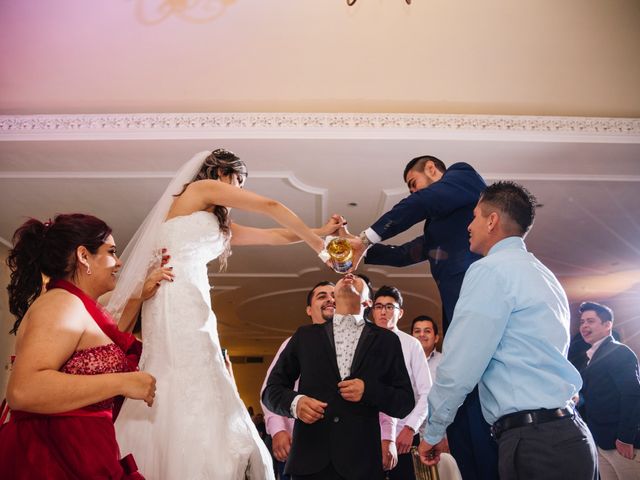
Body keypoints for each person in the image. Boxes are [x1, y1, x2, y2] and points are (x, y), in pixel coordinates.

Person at [110, 149, 341, 480]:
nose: (239, 188)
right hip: (175, 291)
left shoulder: (219, 223)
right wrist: (319, 248)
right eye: (237, 179)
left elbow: (277, 236)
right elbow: (272, 208)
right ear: (219, 173)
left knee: (204, 367)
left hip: (195, 294)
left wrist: (321, 231)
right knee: (178, 367)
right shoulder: (199, 190)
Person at [418, 181, 598, 480]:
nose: (469, 226)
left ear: (492, 221)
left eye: (474, 216)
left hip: (536, 443)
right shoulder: (544, 274)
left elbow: (461, 364)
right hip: (569, 433)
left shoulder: (490, 270)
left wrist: (434, 430)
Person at [345, 155, 496, 480]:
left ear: (431, 169)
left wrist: (367, 236)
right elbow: (403, 254)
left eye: (413, 184)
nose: (414, 193)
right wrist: (353, 250)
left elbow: (424, 202)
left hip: (476, 293)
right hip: (455, 306)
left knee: (483, 386)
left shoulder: (462, 175)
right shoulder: (441, 226)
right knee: (466, 392)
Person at [0, 214, 168, 479]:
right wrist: (122, 383)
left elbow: (100, 349)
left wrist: (138, 297)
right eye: (111, 252)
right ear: (83, 255)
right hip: (57, 455)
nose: (119, 261)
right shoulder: (61, 304)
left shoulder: (77, 305)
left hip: (81, 448)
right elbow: (23, 390)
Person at [262, 273, 415, 480]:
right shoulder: (305, 336)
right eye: (343, 276)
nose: (349, 275)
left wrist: (369, 391)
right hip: (309, 461)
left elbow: (404, 402)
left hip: (362, 465)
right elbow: (271, 390)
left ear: (367, 301)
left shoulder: (387, 341)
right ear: (334, 296)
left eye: (358, 280)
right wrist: (295, 403)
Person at [260, 281, 336, 480]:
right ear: (309, 310)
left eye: (334, 295)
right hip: (300, 446)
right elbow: (270, 390)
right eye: (322, 296)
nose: (330, 299)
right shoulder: (296, 342)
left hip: (347, 451)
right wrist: (278, 431)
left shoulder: (358, 341)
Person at [371, 285, 432, 479]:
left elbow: (427, 392)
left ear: (400, 313)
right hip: (368, 433)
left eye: (390, 307)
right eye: (378, 306)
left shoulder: (411, 344)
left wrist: (410, 428)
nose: (383, 311)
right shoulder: (362, 342)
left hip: (404, 435)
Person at [578, 301, 640, 480]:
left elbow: (632, 394)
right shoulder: (590, 357)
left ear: (607, 325)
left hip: (622, 444)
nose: (584, 326)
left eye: (590, 321)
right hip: (601, 442)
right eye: (582, 322)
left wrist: (626, 438)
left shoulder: (619, 352)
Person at [411, 315, 442, 387]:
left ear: (436, 338)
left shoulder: (444, 361)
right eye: (417, 331)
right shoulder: (403, 360)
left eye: (427, 331)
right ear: (411, 338)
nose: (421, 334)